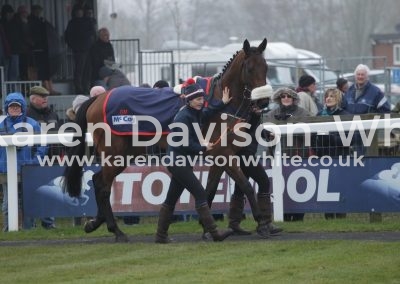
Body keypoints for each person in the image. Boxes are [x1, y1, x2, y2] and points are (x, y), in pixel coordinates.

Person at [155, 78, 233, 243]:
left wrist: (223, 103)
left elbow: (207, 112)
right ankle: (215, 233)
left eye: (202, 98)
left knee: (171, 199)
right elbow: (183, 143)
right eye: (198, 99)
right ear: (189, 100)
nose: (201, 101)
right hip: (178, 163)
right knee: (199, 193)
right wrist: (203, 147)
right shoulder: (182, 117)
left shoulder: (193, 112)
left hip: (180, 162)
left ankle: (161, 236)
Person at [227, 85, 282, 236]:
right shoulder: (249, 111)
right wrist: (256, 117)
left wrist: (265, 134)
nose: (267, 102)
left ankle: (234, 223)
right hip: (245, 153)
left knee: (241, 186)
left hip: (245, 152)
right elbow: (247, 130)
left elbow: (254, 129)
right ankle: (264, 222)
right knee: (263, 181)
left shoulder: (251, 109)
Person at [0, 92, 48, 231]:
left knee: (28, 201)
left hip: (28, 170)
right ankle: (9, 229)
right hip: (6, 171)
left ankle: (29, 229)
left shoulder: (33, 124)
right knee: (7, 203)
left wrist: (35, 161)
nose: (14, 109)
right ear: (6, 108)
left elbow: (43, 145)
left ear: (22, 107)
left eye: (17, 106)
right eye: (11, 107)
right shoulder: (1, 125)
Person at [267, 87, 312, 222]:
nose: (286, 98)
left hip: (299, 156)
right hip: (278, 157)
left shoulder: (303, 113)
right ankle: (284, 216)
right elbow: (266, 134)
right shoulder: (271, 114)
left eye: (289, 96)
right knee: (281, 188)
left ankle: (299, 217)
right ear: (279, 99)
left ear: (294, 99)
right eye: (283, 96)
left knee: (299, 186)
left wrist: (289, 126)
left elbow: (308, 133)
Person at [311, 88, 351, 220]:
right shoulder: (318, 115)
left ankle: (340, 217)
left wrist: (330, 137)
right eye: (327, 96)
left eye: (332, 97)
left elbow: (348, 140)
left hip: (340, 157)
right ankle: (328, 217)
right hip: (323, 158)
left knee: (340, 187)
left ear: (338, 99)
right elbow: (312, 137)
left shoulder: (345, 115)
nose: (328, 98)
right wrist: (317, 149)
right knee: (325, 187)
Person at [26, 86, 59, 229]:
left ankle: (49, 223)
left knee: (50, 192)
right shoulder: (26, 116)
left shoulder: (53, 114)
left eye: (46, 96)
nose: (46, 99)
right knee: (31, 192)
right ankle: (31, 225)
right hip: (33, 160)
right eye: (42, 96)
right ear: (33, 98)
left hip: (51, 159)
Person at [343, 64, 391, 154]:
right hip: (350, 134)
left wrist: (374, 122)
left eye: (363, 74)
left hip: (368, 134)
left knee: (367, 160)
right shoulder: (349, 91)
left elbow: (386, 110)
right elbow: (343, 109)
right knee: (351, 161)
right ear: (355, 76)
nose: (360, 77)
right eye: (358, 74)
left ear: (367, 77)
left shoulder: (376, 92)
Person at [28, 5, 61, 95]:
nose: (38, 12)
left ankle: (50, 88)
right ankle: (45, 88)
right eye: (37, 10)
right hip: (36, 50)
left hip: (44, 49)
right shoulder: (30, 21)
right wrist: (33, 44)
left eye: (40, 10)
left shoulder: (41, 20)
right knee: (39, 71)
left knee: (47, 69)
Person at [64, 4, 96, 93]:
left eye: (81, 11)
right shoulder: (72, 23)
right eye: (78, 12)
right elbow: (67, 36)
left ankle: (86, 88)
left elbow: (93, 33)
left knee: (88, 70)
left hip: (88, 49)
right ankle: (79, 89)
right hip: (79, 50)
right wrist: (73, 46)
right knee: (79, 70)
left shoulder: (88, 21)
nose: (79, 13)